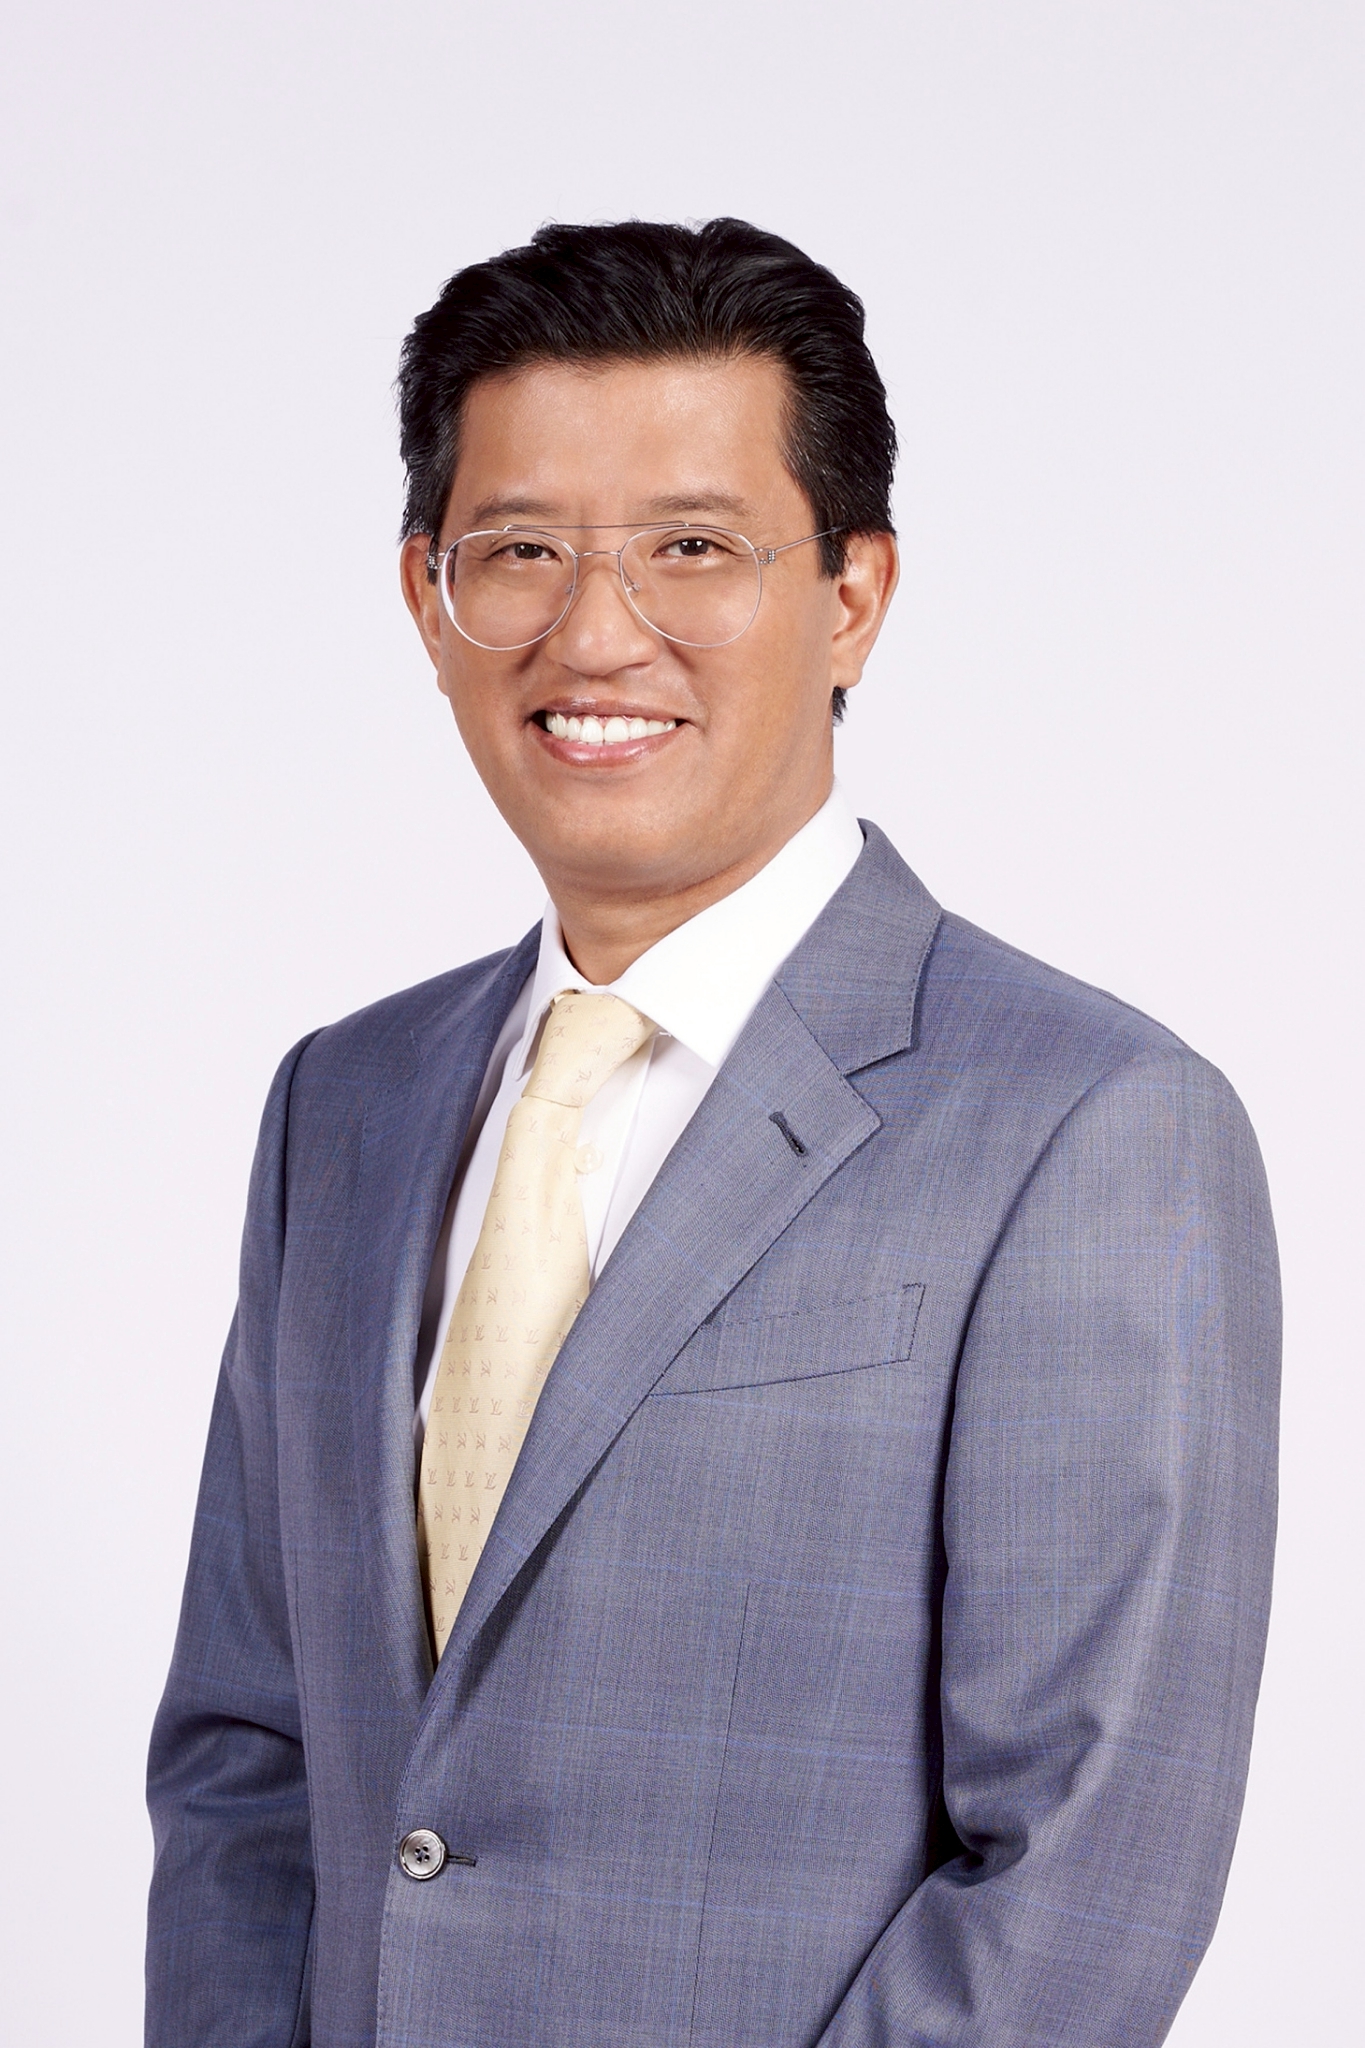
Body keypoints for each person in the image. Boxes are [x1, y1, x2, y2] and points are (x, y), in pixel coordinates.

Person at [145, 218, 1279, 2048]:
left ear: (852, 596)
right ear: (427, 594)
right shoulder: (340, 1108)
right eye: (521, 551)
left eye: (692, 547)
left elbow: (1083, 1869)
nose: (597, 634)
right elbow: (247, 1760)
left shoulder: (1088, 1126)